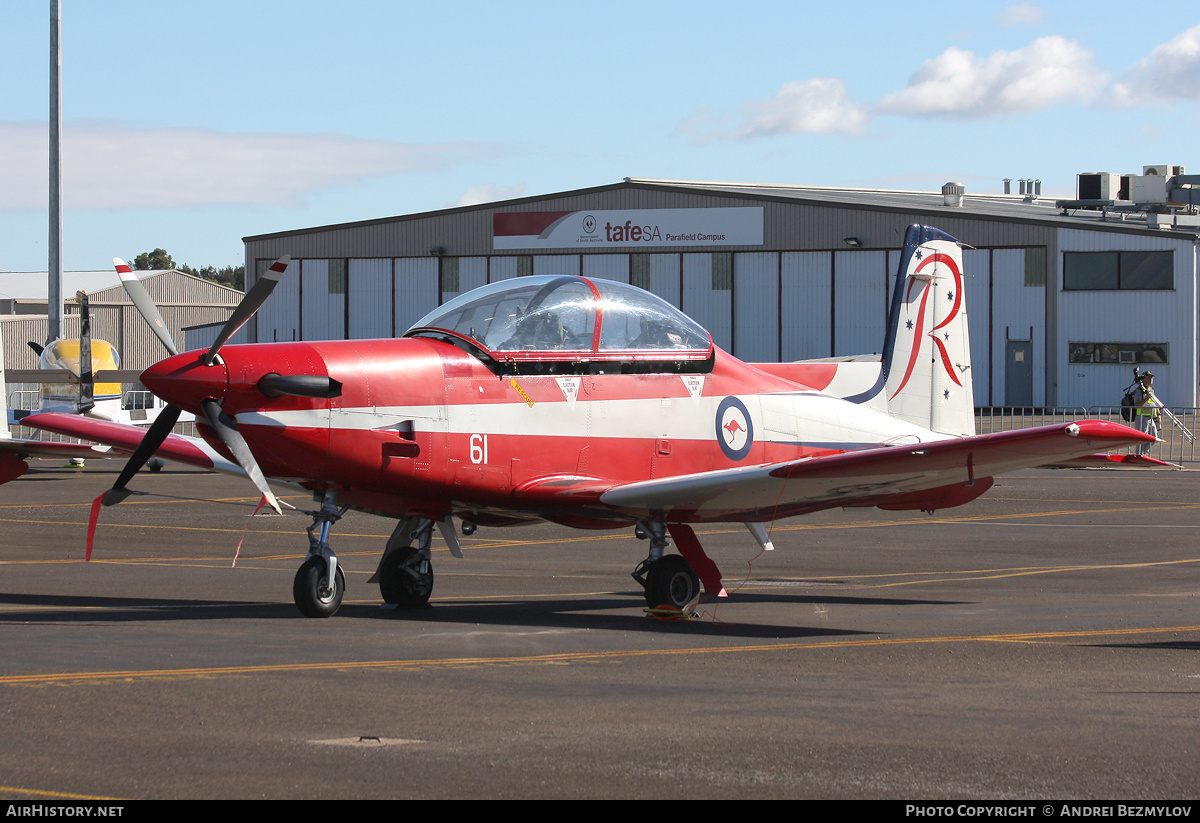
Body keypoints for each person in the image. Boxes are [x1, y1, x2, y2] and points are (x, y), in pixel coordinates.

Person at [1133, 371, 1161, 455]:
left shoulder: (1151, 390)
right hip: (1142, 417)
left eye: (1152, 378)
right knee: (1142, 438)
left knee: (1153, 437)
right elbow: (1136, 405)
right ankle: (1139, 455)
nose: (1151, 380)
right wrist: (1145, 399)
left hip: (1150, 417)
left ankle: (1143, 454)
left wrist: (1158, 415)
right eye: (1149, 378)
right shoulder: (1139, 391)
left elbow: (1153, 403)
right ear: (1144, 379)